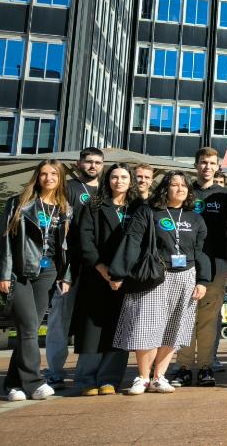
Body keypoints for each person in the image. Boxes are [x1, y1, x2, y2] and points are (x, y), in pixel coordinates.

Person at [109, 171, 210, 395]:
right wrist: (118, 273)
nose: (180, 189)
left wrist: (203, 280)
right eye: (174, 185)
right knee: (147, 326)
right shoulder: (148, 212)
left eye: (184, 186)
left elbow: (201, 251)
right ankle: (143, 377)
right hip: (154, 276)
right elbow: (132, 241)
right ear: (165, 188)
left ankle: (159, 377)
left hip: (186, 276)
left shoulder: (195, 218)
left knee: (173, 327)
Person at [0, 160, 71, 401]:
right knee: (29, 327)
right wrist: (3, 273)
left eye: (53, 174)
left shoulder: (64, 209)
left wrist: (65, 276)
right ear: (37, 177)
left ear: (60, 178)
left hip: (48, 271)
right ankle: (34, 382)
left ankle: (12, 385)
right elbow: (5, 240)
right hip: (20, 271)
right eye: (43, 173)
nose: (48, 178)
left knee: (26, 330)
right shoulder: (19, 203)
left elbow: (66, 248)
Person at [172, 148, 227, 387]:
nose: (207, 167)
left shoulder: (225, 195)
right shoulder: (185, 192)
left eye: (212, 163)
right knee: (184, 316)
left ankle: (205, 367)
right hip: (185, 263)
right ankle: (182, 366)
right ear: (195, 165)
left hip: (216, 263)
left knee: (209, 318)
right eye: (203, 162)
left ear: (217, 166)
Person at [73, 164, 142, 396]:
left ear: (130, 181)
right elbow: (86, 241)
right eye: (114, 177)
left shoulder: (138, 208)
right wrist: (106, 272)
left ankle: (109, 379)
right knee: (93, 328)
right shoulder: (93, 205)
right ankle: (86, 379)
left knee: (119, 329)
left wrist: (121, 275)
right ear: (107, 180)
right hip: (97, 276)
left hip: (127, 279)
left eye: (124, 177)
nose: (119, 181)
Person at [45, 148, 103, 390]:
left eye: (98, 162)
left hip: (97, 265)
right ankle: (55, 371)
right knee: (60, 318)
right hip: (70, 263)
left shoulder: (106, 191)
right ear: (79, 163)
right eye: (88, 161)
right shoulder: (67, 188)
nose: (92, 166)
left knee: (93, 320)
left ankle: (87, 372)